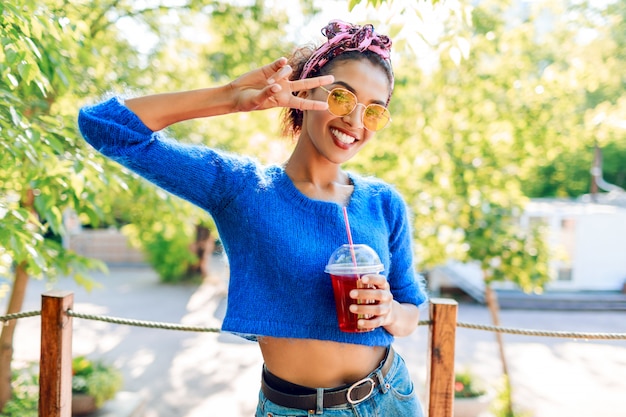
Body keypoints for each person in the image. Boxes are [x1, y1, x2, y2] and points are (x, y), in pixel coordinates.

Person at [78, 19, 428, 417]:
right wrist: (229, 96)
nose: (355, 122)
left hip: (390, 397)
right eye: (342, 99)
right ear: (307, 88)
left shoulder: (385, 203)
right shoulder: (242, 189)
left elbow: (411, 310)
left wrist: (390, 311)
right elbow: (105, 126)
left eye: (375, 112)